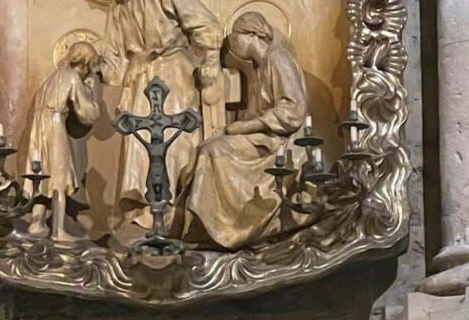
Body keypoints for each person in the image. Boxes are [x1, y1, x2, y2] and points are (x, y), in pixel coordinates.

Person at [185, 12, 309, 250]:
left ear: (253, 34)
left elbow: (293, 109)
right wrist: (232, 129)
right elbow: (255, 113)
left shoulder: (278, 59)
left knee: (213, 151)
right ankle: (213, 224)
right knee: (209, 146)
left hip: (280, 143)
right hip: (264, 137)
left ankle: (222, 227)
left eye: (236, 37)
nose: (233, 44)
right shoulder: (260, 68)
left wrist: (246, 127)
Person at [96, 0, 222, 234]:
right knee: (139, 146)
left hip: (174, 72)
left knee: (177, 143)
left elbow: (208, 26)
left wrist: (212, 62)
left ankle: (176, 214)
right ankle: (145, 214)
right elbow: (112, 57)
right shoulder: (119, 7)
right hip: (138, 79)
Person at [26, 42, 102, 242]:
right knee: (60, 176)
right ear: (85, 62)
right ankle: (58, 231)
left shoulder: (52, 78)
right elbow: (87, 113)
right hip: (54, 125)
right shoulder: (72, 77)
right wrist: (92, 94)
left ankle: (37, 222)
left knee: (41, 175)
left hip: (38, 126)